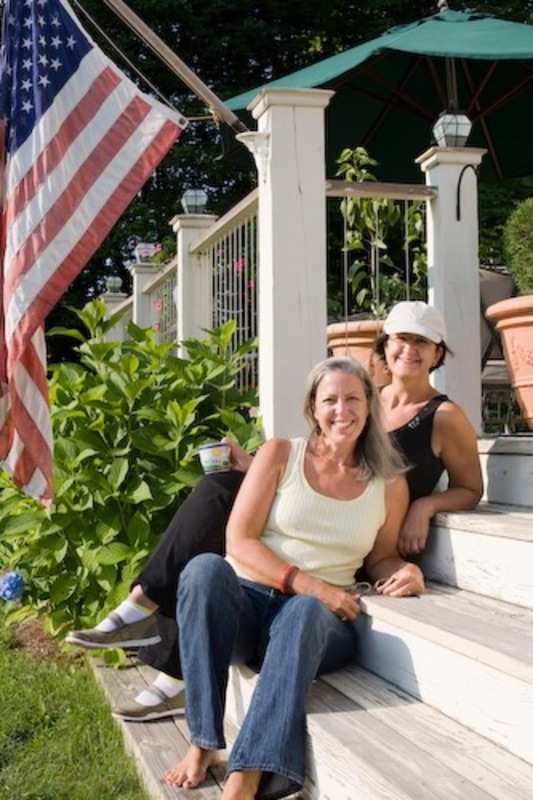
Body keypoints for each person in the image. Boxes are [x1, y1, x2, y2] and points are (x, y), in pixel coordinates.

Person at [66, 301, 483, 721]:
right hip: (327, 519)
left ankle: (171, 668)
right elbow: (327, 466)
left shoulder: (443, 416)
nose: (408, 349)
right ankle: (141, 604)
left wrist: (426, 505)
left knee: (227, 536)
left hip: (362, 540)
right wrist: (261, 468)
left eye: (421, 342)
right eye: (400, 339)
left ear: (438, 352)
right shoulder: (365, 397)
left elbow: (472, 488)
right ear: (384, 345)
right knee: (220, 486)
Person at [162, 356, 424, 798]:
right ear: (313, 408)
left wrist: (407, 569)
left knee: (303, 610)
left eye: (353, 399)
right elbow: (239, 541)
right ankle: (203, 742)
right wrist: (310, 584)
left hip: (317, 624)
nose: (342, 410)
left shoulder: (389, 483)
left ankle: (249, 773)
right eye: (330, 400)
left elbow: (382, 557)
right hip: (249, 604)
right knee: (204, 569)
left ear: (369, 406)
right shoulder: (280, 453)